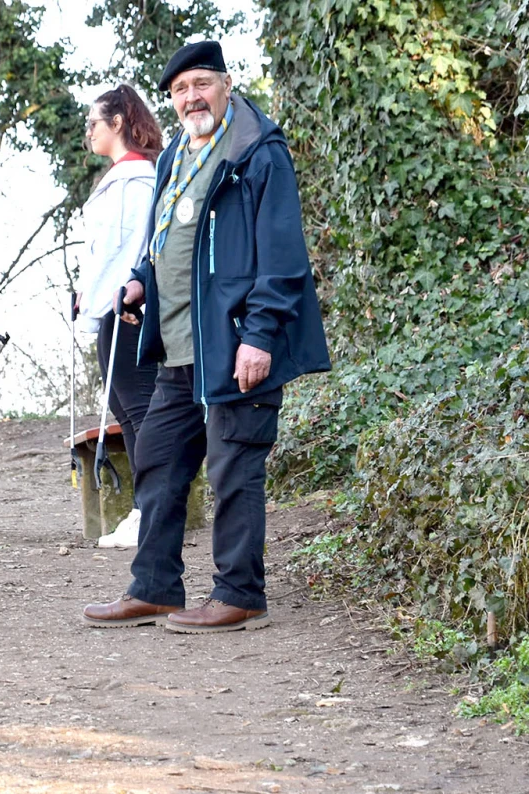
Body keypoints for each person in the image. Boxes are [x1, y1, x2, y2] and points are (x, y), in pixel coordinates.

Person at [83, 40, 330, 633]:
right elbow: (163, 239)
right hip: (177, 347)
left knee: (234, 466)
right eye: (179, 90)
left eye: (201, 84)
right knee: (159, 461)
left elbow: (283, 256)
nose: (191, 97)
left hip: (237, 342)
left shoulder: (256, 152)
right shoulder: (173, 157)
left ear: (225, 84)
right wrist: (142, 280)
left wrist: (261, 336)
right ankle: (155, 588)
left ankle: (240, 593)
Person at [75, 84, 163, 549]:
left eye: (94, 123)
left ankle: (153, 507)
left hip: (128, 304)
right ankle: (144, 507)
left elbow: (124, 247)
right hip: (112, 301)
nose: (87, 131)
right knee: (125, 405)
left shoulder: (136, 181)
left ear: (119, 123)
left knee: (138, 403)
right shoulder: (123, 178)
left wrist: (108, 295)